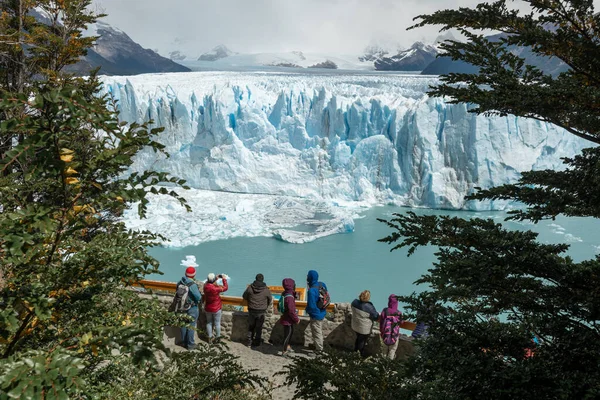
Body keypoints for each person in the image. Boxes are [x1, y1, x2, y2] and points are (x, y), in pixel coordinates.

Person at [242, 273, 273, 348]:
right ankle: (257, 342)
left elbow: (244, 296)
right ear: (263, 279)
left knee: (251, 326)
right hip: (261, 311)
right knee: (259, 328)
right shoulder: (266, 290)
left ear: (255, 279)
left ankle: (249, 341)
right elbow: (270, 299)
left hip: (252, 309)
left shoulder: (250, 288)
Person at [178, 266, 202, 350]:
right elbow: (198, 297)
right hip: (191, 307)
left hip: (181, 306)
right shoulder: (192, 284)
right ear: (194, 275)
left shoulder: (181, 282)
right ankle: (190, 344)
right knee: (191, 326)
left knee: (183, 325)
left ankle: (184, 342)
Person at [351, 290, 379, 357]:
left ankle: (355, 352)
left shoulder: (354, 302)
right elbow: (376, 316)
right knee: (362, 341)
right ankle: (359, 355)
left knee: (358, 339)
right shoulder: (369, 307)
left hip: (355, 325)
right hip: (364, 329)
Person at [305, 269, 327, 352]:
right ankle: (315, 345)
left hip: (316, 314)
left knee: (317, 332)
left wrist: (308, 311)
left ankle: (319, 350)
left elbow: (311, 306)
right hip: (322, 311)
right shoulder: (322, 284)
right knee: (318, 330)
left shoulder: (311, 291)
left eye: (308, 276)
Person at [203, 272, 228, 343]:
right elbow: (225, 288)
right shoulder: (216, 288)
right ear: (213, 280)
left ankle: (210, 338)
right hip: (216, 308)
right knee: (217, 323)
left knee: (209, 323)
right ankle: (218, 338)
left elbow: (209, 282)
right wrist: (224, 279)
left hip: (208, 307)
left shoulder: (205, 286)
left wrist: (216, 278)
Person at [279, 278, 299, 356]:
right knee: (287, 335)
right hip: (288, 319)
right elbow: (291, 310)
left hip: (285, 317)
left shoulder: (285, 293)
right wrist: (296, 319)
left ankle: (288, 347)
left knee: (289, 333)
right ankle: (284, 351)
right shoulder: (289, 297)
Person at [379, 294, 402, 359]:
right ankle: (388, 367)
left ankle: (381, 365)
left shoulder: (385, 310)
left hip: (385, 335)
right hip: (394, 336)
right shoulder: (398, 313)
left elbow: (381, 321)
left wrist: (381, 332)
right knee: (392, 351)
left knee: (384, 351)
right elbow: (401, 322)